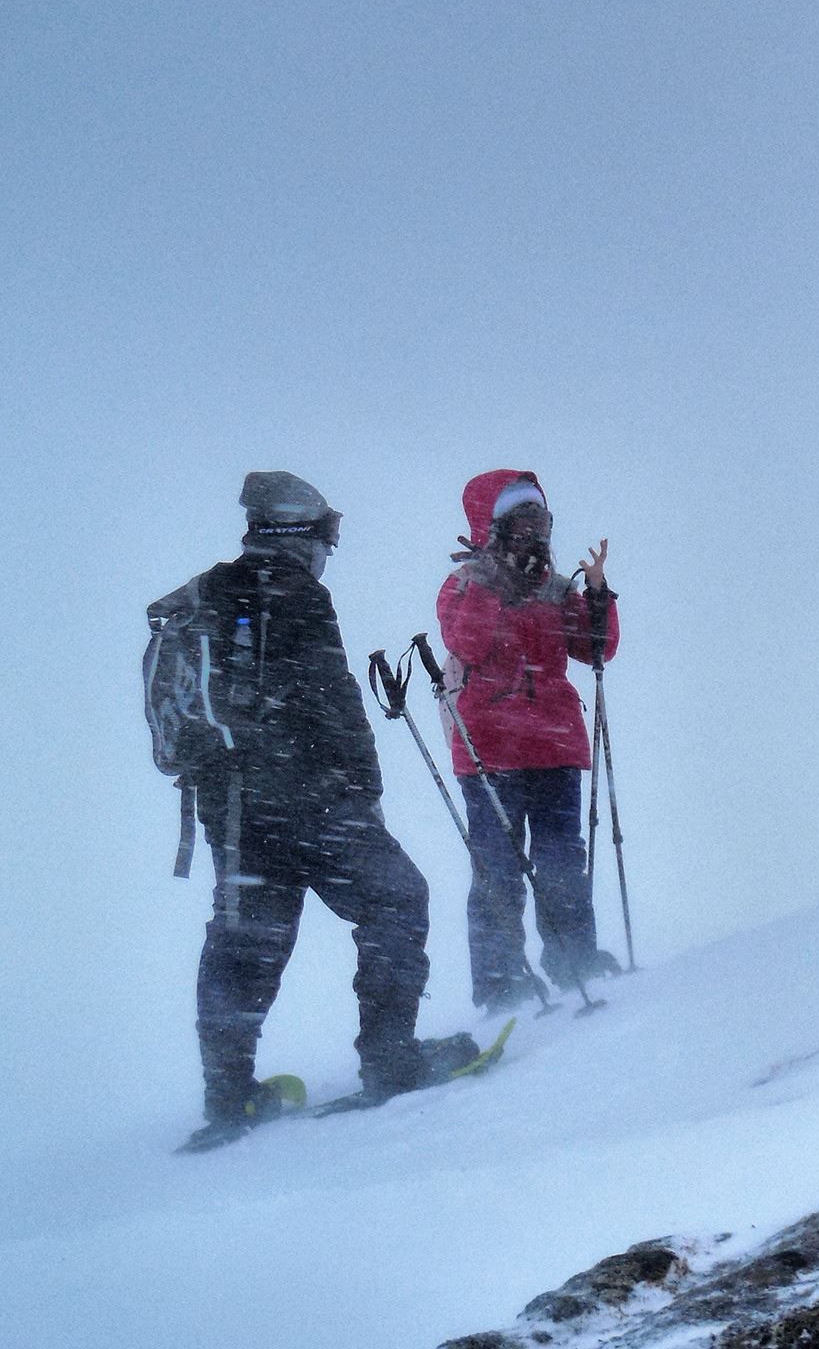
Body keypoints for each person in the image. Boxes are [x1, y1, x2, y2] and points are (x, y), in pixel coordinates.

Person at [178, 472, 472, 1145]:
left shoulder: (210, 596)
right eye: (324, 537)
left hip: (227, 800)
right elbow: (332, 704)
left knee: (246, 940)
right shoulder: (297, 594)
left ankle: (228, 1097)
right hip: (304, 794)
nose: (326, 551)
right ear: (299, 533)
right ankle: (391, 1061)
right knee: (397, 898)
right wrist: (362, 793)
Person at [437, 470, 622, 1013]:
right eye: (520, 524)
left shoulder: (556, 586)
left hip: (553, 745)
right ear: (491, 528)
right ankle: (501, 984)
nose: (532, 534)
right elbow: (466, 643)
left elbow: (595, 650)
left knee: (562, 858)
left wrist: (596, 594)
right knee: (499, 867)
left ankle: (573, 962)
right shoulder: (465, 584)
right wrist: (494, 582)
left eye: (538, 522)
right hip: (491, 749)